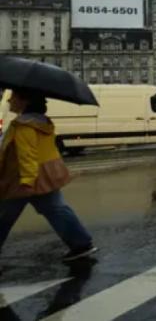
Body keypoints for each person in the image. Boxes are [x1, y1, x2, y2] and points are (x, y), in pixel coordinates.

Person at [0, 89, 97, 263]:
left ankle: (81, 244)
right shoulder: (41, 122)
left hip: (22, 178)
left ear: (25, 101)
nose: (9, 101)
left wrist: (27, 182)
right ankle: (81, 244)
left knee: (4, 215)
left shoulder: (24, 126)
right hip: (45, 176)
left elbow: (27, 155)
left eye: (13, 97)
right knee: (57, 210)